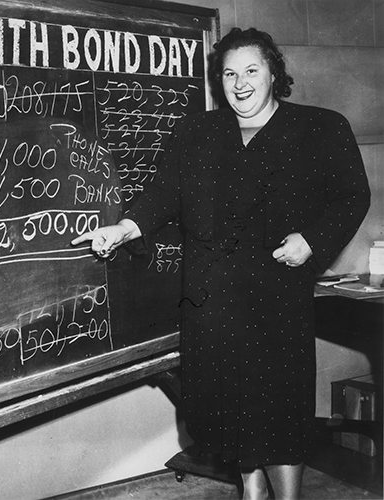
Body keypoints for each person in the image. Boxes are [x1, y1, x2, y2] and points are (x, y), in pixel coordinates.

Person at [72, 27, 371, 500]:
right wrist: (124, 228)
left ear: (275, 73)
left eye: (252, 70)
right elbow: (163, 194)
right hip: (211, 305)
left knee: (277, 412)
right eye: (230, 73)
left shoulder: (321, 127)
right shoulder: (198, 131)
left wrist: (312, 241)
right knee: (230, 416)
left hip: (275, 299)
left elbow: (353, 195)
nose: (241, 82)